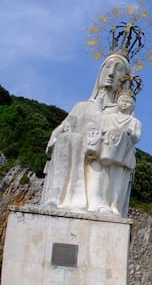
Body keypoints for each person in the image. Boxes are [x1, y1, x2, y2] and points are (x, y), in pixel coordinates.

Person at [40, 53, 131, 212]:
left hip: (101, 160)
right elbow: (57, 134)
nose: (110, 73)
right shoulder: (81, 107)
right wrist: (63, 133)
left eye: (118, 69)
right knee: (67, 139)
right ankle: (55, 196)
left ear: (124, 78)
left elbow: (126, 141)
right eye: (107, 67)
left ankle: (97, 199)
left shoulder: (121, 115)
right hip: (74, 153)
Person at [85, 90, 142, 216]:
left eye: (128, 102)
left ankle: (114, 204)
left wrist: (129, 133)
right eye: (122, 101)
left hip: (124, 154)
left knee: (118, 179)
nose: (125, 104)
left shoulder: (135, 122)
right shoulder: (107, 117)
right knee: (102, 177)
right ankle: (100, 201)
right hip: (105, 150)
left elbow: (137, 137)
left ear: (133, 105)